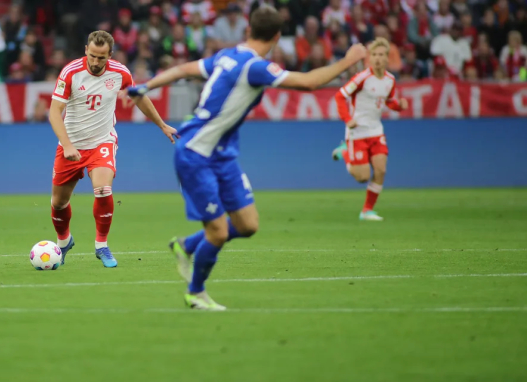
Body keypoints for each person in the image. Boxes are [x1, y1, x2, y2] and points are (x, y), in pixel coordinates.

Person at [126, 6, 367, 310]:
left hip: (223, 155)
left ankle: (186, 245)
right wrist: (348, 60)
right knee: (218, 231)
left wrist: (148, 84)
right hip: (196, 153)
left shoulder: (228, 55)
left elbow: (185, 69)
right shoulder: (255, 67)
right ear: (277, 36)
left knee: (248, 225)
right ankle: (195, 293)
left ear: (248, 30)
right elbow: (308, 83)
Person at [49, 31, 177, 268]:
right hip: (72, 144)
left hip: (102, 141)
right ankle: (64, 241)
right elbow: (54, 112)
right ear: (86, 49)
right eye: (93, 56)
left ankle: (101, 245)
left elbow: (139, 98)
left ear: (110, 55)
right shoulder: (71, 72)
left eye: (101, 58)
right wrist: (67, 144)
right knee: (58, 203)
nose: (96, 62)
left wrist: (161, 125)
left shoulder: (120, 73)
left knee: (103, 188)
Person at [331, 37, 409, 221]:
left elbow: (388, 101)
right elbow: (340, 96)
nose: (377, 58)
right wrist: (348, 119)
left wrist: (399, 106)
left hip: (376, 131)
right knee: (362, 177)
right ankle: (345, 152)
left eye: (381, 55)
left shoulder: (390, 80)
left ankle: (366, 211)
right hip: (357, 132)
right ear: (369, 58)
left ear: (387, 58)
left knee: (381, 170)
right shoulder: (362, 78)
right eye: (374, 55)